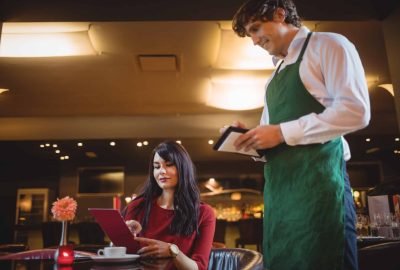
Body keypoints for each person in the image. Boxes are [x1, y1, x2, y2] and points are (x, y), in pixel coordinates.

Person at [227, 0, 371, 269]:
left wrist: (282, 132)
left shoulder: (329, 45)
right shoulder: (272, 79)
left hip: (320, 189)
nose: (255, 41)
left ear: (280, 14)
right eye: (250, 35)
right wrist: (248, 139)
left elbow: (355, 111)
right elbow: (270, 139)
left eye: (257, 29)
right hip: (280, 197)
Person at [123, 141, 216, 270]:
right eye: (157, 166)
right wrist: (123, 236)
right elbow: (122, 257)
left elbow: (199, 267)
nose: (161, 171)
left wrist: (172, 251)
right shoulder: (137, 206)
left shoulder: (203, 213)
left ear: (183, 168)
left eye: (169, 165)